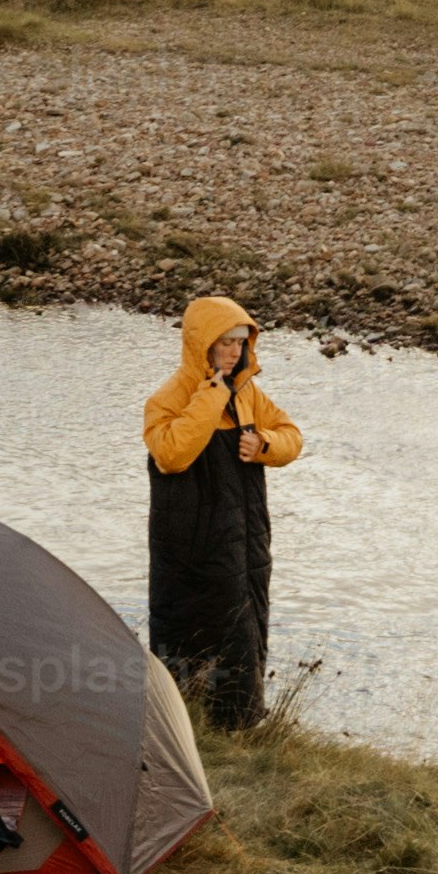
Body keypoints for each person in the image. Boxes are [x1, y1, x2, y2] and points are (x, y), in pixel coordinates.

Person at [142, 293, 303, 731]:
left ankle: (240, 724)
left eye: (240, 342)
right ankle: (182, 720)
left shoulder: (249, 395)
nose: (235, 351)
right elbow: (172, 455)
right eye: (225, 342)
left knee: (245, 626)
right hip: (190, 544)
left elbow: (292, 435)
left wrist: (266, 444)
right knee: (190, 622)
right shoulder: (168, 399)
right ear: (202, 345)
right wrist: (213, 393)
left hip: (246, 539)